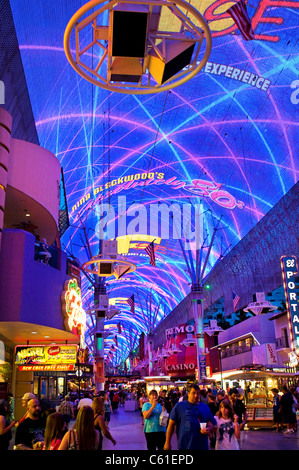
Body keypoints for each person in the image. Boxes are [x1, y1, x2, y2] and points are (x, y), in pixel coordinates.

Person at [164, 383, 216, 451]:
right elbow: (170, 425)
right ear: (188, 394)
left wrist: (208, 429)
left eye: (198, 393)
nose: (196, 395)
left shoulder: (205, 407)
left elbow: (213, 423)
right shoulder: (179, 406)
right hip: (185, 446)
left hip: (202, 446)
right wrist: (167, 442)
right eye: (193, 393)